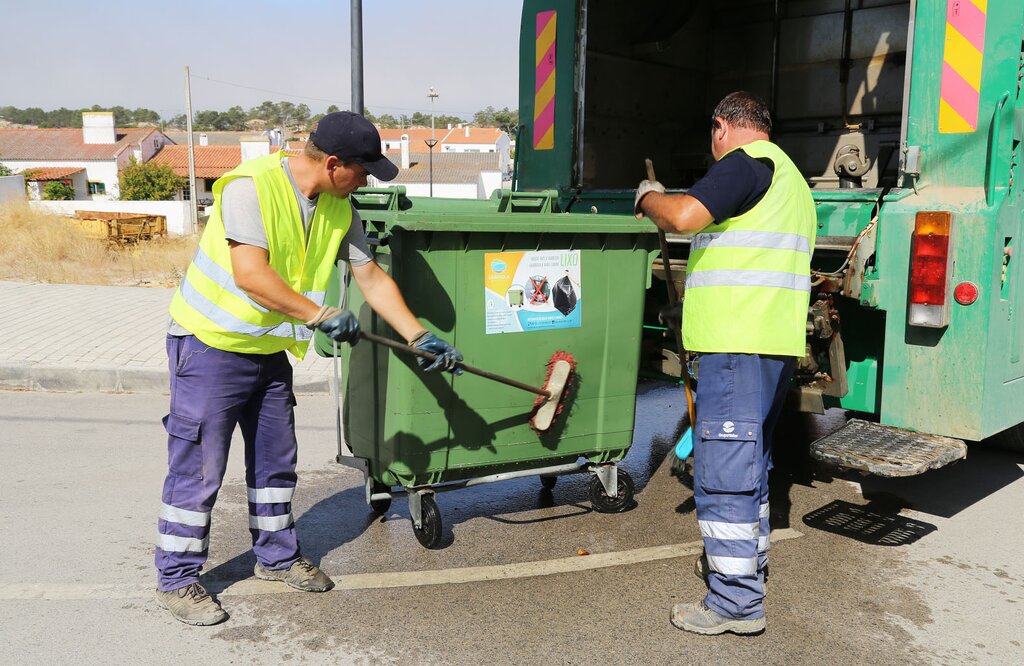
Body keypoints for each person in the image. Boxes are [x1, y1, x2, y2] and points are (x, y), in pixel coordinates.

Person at [154, 112, 463, 626]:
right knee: (200, 469)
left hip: (268, 352)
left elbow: (370, 277)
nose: (367, 181)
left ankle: (275, 557)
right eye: (364, 171)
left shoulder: (341, 207)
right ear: (335, 164)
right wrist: (319, 314)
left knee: (276, 462)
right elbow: (250, 274)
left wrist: (417, 335)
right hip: (210, 346)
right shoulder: (251, 188)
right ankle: (178, 578)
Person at [635, 92, 815, 635]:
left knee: (724, 474)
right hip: (770, 345)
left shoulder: (745, 164)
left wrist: (649, 198)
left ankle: (735, 603)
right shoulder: (792, 181)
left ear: (721, 126)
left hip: (737, 346)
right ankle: (746, 568)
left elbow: (685, 216)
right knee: (750, 464)